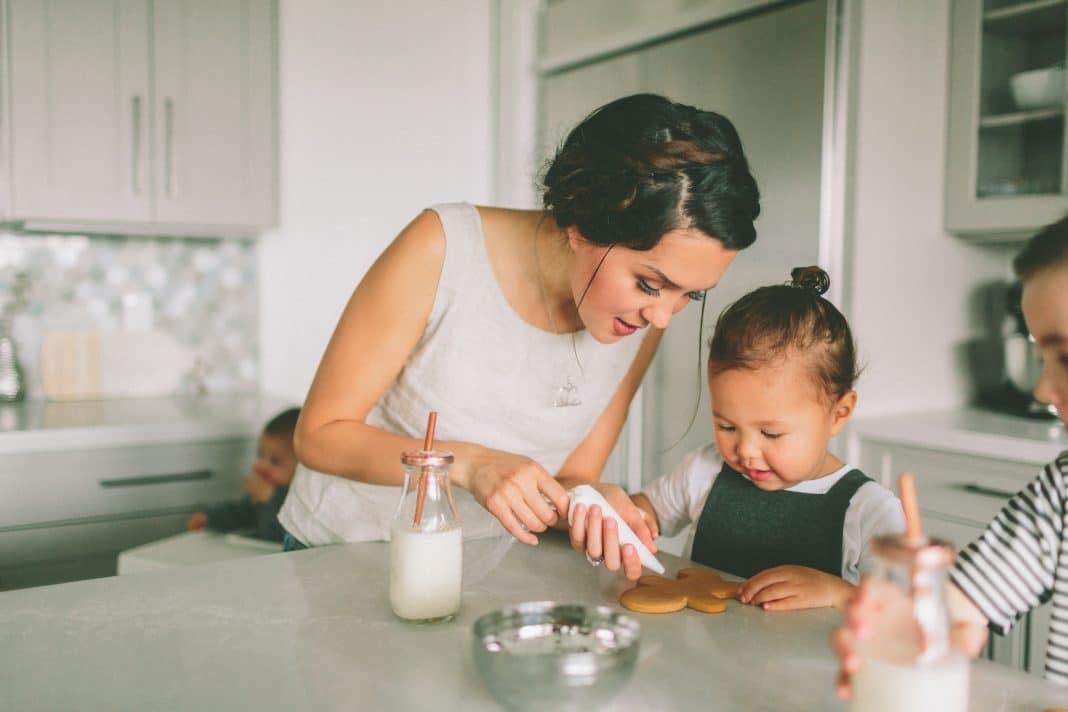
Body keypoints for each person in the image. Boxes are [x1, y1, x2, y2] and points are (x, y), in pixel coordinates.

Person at [277, 93, 762, 551]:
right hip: (339, 551)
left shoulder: (642, 320)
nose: (661, 316)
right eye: (649, 284)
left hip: (484, 569)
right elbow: (319, 435)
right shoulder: (443, 248)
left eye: (690, 294)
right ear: (584, 224)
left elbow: (572, 477)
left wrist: (592, 502)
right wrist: (469, 465)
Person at [569, 267, 906, 611]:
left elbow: (910, 612)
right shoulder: (704, 470)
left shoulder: (870, 512)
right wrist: (618, 514)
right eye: (727, 426)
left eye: (770, 433)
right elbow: (646, 512)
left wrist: (839, 593)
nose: (744, 451)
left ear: (839, 413)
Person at [833, 214, 1068, 690]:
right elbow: (961, 605)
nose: (1043, 390)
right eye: (1042, 357)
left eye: (1064, 357)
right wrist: (897, 628)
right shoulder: (1061, 491)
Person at [186, 407, 301, 543]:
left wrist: (271, 500)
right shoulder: (263, 489)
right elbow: (241, 513)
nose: (260, 466)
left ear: (303, 468)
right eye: (260, 455)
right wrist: (210, 518)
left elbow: (282, 537)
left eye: (274, 461)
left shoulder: (301, 501)